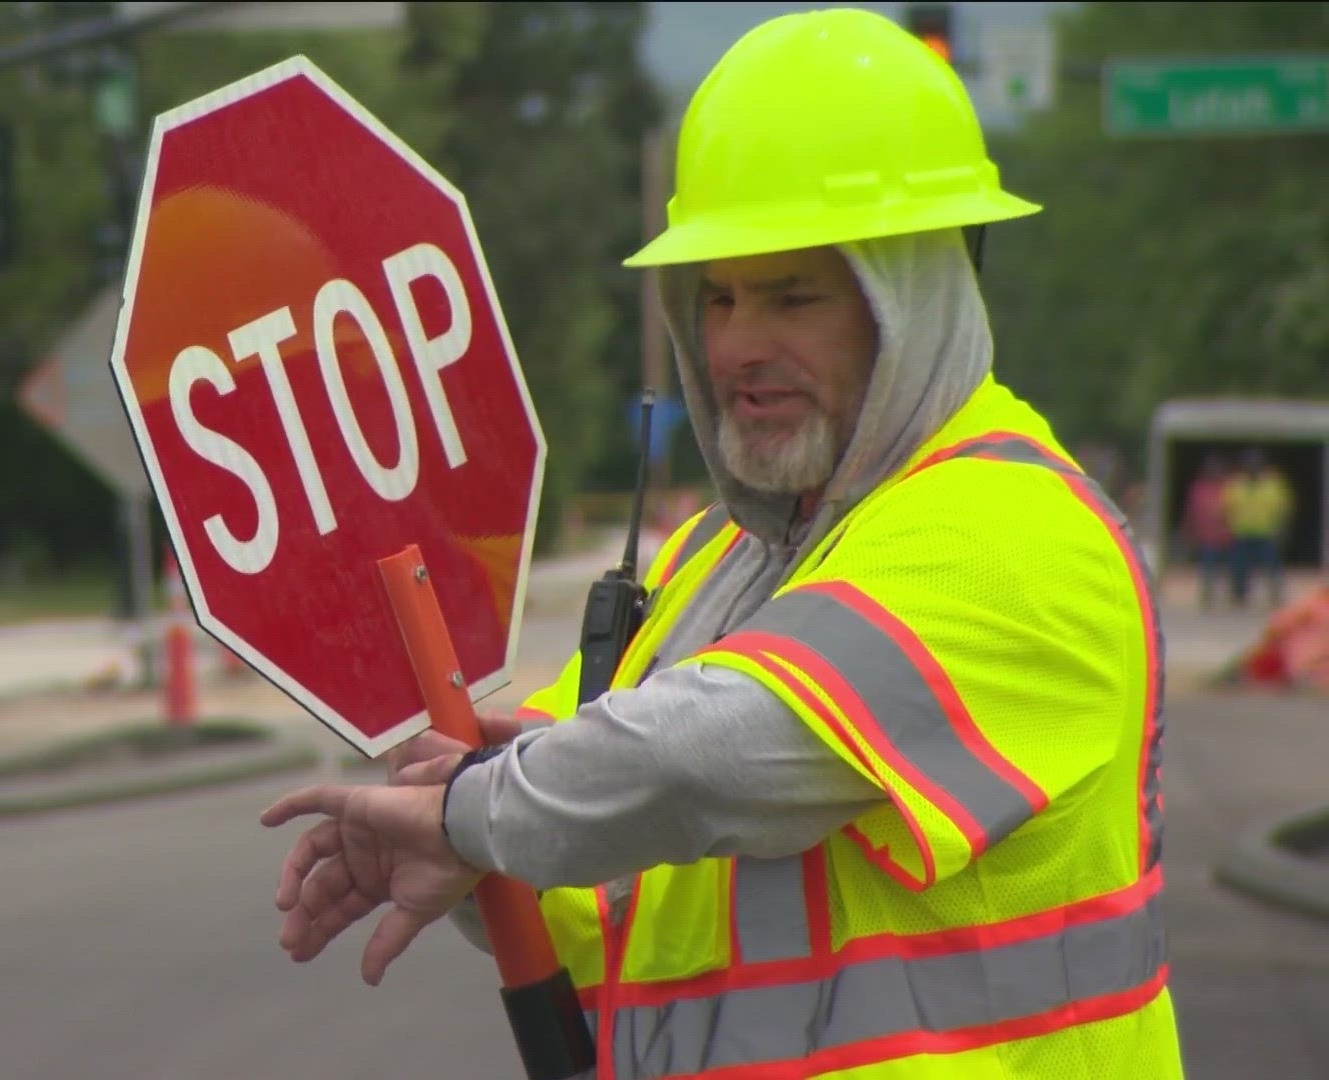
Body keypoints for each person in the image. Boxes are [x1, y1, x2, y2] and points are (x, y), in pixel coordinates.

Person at [260, 9, 1183, 1078]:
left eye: (795, 295)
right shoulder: (716, 562)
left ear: (920, 297)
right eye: (720, 297)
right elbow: (595, 882)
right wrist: (465, 844)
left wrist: (473, 808)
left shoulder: (1018, 533)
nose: (742, 344)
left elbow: (707, 759)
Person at [1223, 449, 1292, 608]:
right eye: (1249, 463)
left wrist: (1282, 527)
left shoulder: (1273, 484)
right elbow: (1227, 507)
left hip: (1266, 532)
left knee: (1272, 565)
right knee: (1239, 566)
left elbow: (1283, 507)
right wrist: (1228, 526)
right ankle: (1239, 595)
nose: (1252, 466)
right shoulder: (1236, 484)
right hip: (1241, 532)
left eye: (1256, 463)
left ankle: (1276, 593)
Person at [1180, 452, 1235, 609]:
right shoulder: (1198, 487)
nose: (1214, 471)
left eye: (1217, 468)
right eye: (1211, 468)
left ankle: (1234, 595)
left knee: (1232, 568)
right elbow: (1191, 511)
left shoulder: (1230, 486)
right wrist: (1189, 530)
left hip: (1228, 535)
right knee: (1208, 566)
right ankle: (1208, 595)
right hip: (1207, 536)